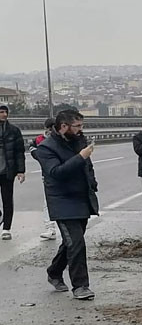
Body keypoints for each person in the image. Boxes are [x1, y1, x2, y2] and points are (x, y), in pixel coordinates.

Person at [32, 110, 98, 300]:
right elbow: (56, 172)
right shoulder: (46, 148)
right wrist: (81, 157)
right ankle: (81, 286)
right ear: (63, 127)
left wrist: (92, 182)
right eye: (77, 126)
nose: (80, 130)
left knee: (71, 242)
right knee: (77, 242)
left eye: (81, 126)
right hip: (62, 201)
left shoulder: (79, 141)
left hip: (81, 198)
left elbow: (88, 166)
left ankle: (54, 272)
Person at [0, 104, 26, 240]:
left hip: (7, 171)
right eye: (1, 112)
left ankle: (6, 228)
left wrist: (20, 170)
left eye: (5, 112)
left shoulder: (14, 131)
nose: (4, 114)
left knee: (7, 200)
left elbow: (19, 152)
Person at [30, 117, 58, 241]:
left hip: (61, 173)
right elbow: (32, 149)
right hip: (46, 175)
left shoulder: (61, 139)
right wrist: (40, 156)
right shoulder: (39, 140)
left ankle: (58, 227)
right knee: (48, 201)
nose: (51, 131)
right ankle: (50, 228)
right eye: (49, 128)